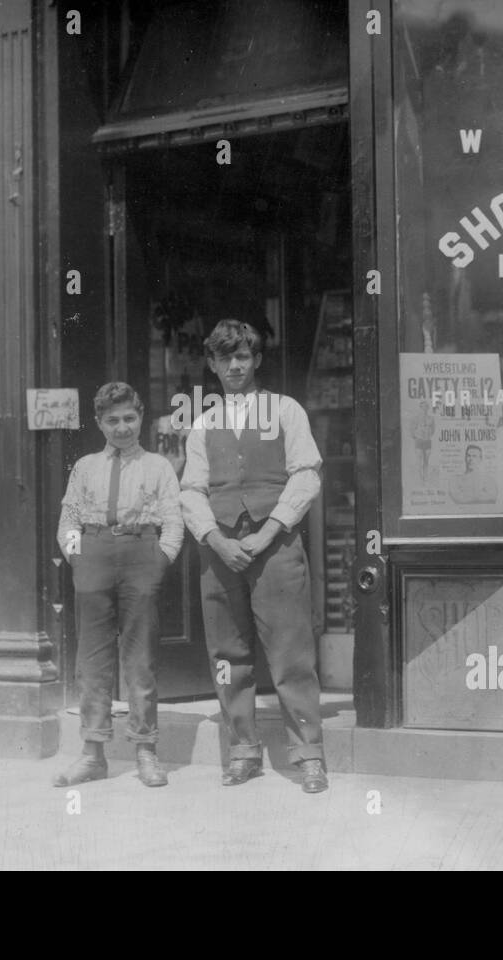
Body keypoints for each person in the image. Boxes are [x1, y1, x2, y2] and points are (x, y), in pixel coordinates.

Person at [179, 319, 329, 793]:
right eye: (226, 358)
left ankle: (308, 754)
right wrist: (215, 540)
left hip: (276, 546)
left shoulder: (286, 411)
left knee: (290, 652)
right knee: (228, 654)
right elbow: (191, 491)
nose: (235, 366)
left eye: (243, 356)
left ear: (257, 360)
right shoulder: (202, 425)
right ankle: (243, 751)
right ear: (213, 365)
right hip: (221, 550)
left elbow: (307, 476)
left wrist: (266, 534)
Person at [54, 382, 183, 788]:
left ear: (141, 417)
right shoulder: (85, 466)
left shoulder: (158, 466)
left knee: (140, 658)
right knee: (91, 660)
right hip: (93, 554)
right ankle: (93, 753)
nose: (122, 427)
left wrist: (159, 561)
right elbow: (68, 520)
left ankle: (145, 750)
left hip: (140, 552)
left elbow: (174, 521)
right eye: (113, 420)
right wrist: (78, 558)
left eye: (129, 418)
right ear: (99, 423)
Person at [410, 399, 436, 481]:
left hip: (427, 441)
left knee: (426, 460)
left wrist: (427, 435)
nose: (425, 408)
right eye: (423, 407)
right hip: (419, 441)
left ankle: (425, 477)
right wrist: (417, 436)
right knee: (419, 460)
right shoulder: (416, 418)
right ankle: (420, 477)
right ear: (420, 408)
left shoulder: (431, 418)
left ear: (428, 408)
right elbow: (412, 429)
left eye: (426, 407)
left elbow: (433, 430)